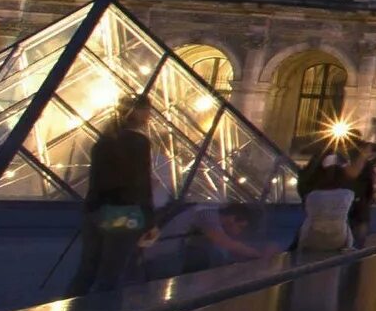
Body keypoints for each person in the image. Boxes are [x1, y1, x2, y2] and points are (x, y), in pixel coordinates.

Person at [70, 97, 158, 293]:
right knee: (113, 273)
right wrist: (149, 219)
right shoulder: (138, 142)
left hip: (95, 210)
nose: (149, 116)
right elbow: (141, 183)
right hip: (123, 213)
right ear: (136, 112)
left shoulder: (104, 140)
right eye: (147, 111)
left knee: (87, 269)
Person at [147, 200, 267, 275]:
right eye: (241, 227)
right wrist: (259, 255)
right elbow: (224, 243)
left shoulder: (205, 212)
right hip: (161, 258)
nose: (239, 233)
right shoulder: (207, 213)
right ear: (232, 219)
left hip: (165, 257)